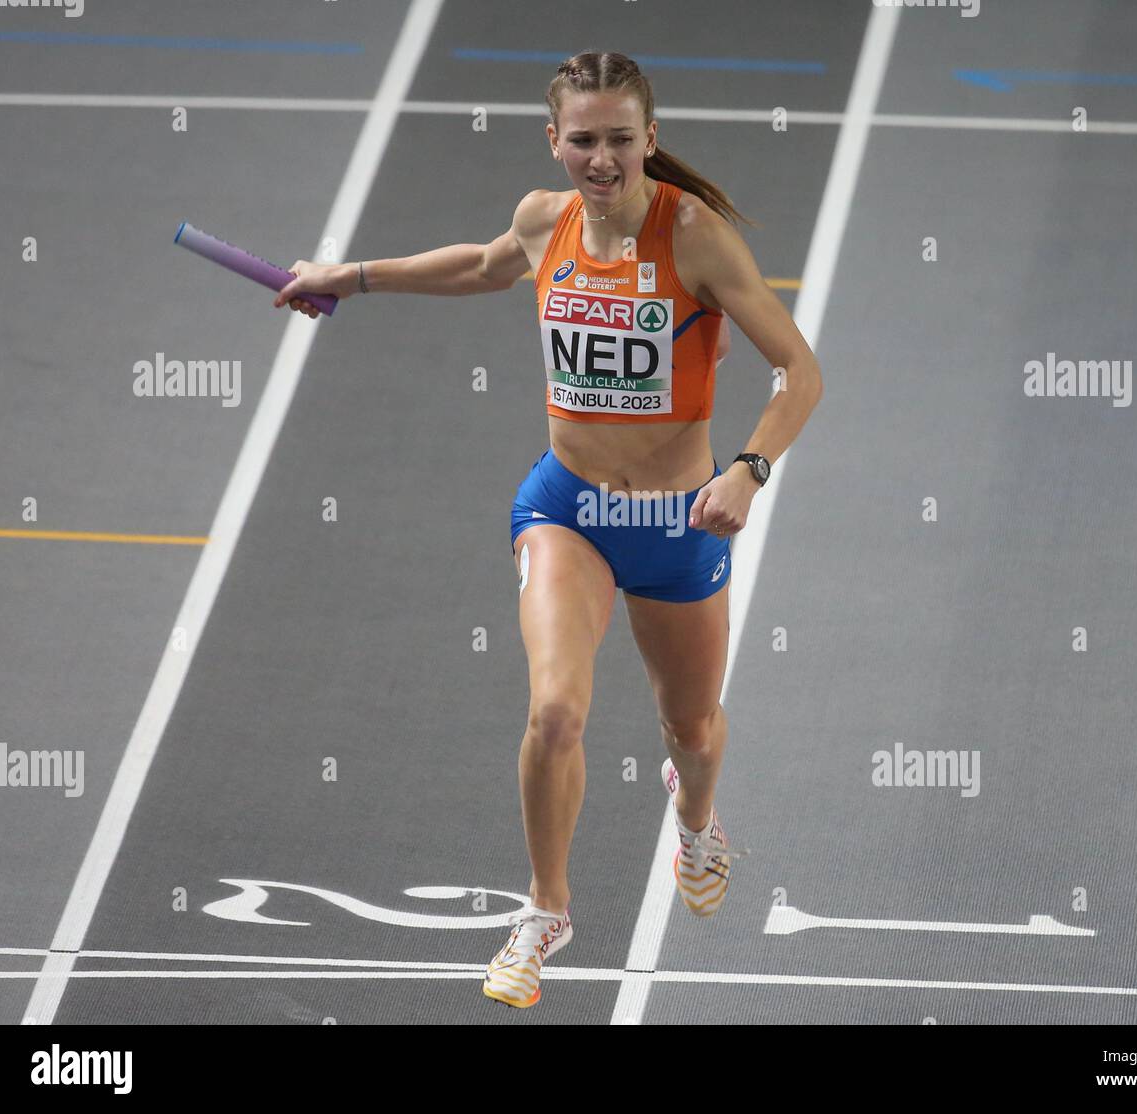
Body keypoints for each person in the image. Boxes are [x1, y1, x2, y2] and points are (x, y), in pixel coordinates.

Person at [274, 50, 823, 1010]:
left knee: (691, 728)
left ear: (649, 139)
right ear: (555, 141)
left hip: (674, 519)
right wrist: (348, 276)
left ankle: (696, 820)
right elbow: (483, 265)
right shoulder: (545, 220)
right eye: (583, 140)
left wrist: (750, 468)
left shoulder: (693, 237)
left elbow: (801, 372)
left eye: (620, 139)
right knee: (556, 711)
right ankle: (545, 911)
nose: (601, 159)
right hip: (566, 506)